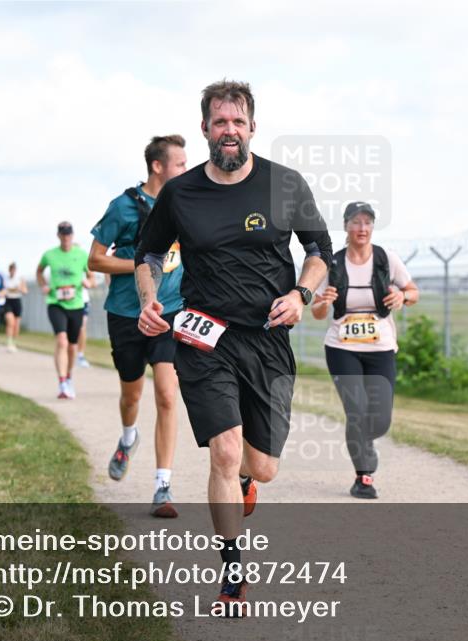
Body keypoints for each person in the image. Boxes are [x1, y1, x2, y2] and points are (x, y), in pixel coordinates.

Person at [134, 80, 332, 612]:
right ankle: (231, 574)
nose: (229, 131)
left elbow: (318, 250)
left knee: (261, 466)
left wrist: (301, 292)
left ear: (252, 128)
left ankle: (249, 478)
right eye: (219, 122)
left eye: (237, 122)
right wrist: (150, 300)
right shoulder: (181, 192)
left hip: (268, 339)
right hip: (204, 335)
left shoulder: (284, 184)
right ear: (204, 129)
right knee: (222, 450)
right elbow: (148, 255)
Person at [89, 134, 188, 518]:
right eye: (180, 164)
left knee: (166, 394)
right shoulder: (123, 207)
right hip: (127, 315)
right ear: (158, 167)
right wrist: (140, 265)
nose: (186, 170)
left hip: (169, 312)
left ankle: (163, 485)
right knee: (132, 396)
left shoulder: (186, 205)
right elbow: (95, 261)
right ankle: (128, 438)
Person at [311, 202, 419, 499]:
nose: (362, 228)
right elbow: (318, 312)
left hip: (381, 347)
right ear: (346, 226)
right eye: (356, 222)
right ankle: (364, 476)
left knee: (380, 419)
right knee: (357, 411)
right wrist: (322, 302)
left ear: (373, 227)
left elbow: (413, 291)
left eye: (368, 222)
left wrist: (402, 296)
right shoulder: (331, 264)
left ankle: (362, 441)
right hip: (341, 348)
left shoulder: (386, 259)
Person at [37, 222, 95, 399]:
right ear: (58, 235)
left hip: (76, 305)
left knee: (72, 346)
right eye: (63, 234)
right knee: (61, 341)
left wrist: (89, 283)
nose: (66, 237)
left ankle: (68, 377)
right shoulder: (50, 255)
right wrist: (43, 286)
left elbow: (92, 277)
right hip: (56, 303)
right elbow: (39, 272)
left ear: (72, 235)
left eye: (68, 234)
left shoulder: (82, 255)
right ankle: (62, 382)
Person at [2, 262, 27, 352]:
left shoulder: (20, 279)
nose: (12, 271)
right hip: (8, 301)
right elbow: (2, 291)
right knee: (10, 322)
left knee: (16, 325)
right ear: (9, 270)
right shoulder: (5, 279)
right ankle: (8, 342)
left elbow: (25, 291)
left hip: (17, 301)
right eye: (11, 270)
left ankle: (14, 342)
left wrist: (19, 289)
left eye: (14, 270)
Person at [76, 280, 92, 368]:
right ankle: (67, 353)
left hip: (82, 300)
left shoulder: (84, 265)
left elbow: (92, 280)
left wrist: (88, 283)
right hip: (64, 301)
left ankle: (80, 356)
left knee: (82, 327)